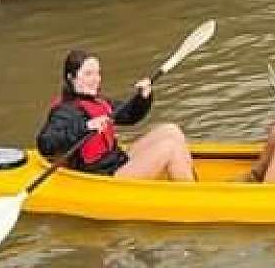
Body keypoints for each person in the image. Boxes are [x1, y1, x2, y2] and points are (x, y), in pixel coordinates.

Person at [36, 48, 197, 182]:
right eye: (88, 74)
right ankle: (192, 198)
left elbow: (129, 115)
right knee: (169, 147)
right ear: (71, 78)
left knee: (171, 130)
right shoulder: (64, 111)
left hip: (116, 161)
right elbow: (45, 144)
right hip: (102, 177)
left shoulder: (97, 101)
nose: (96, 79)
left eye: (97, 73)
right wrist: (85, 126)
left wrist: (142, 98)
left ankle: (192, 182)